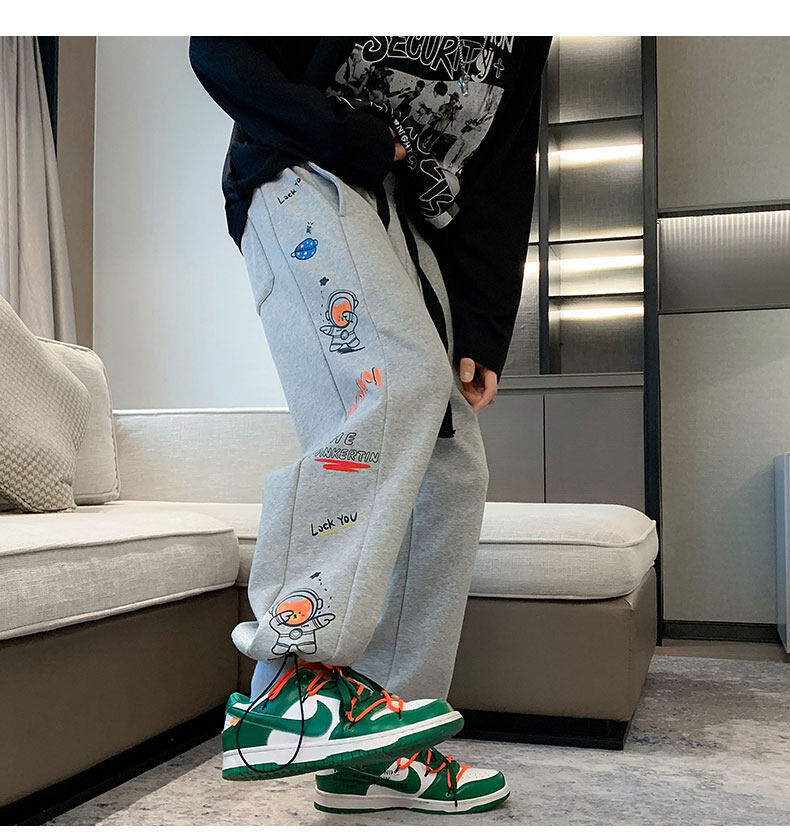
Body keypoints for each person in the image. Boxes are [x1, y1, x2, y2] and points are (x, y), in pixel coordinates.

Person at [189, 34, 550, 815]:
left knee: (455, 468)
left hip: (407, 220)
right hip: (300, 165)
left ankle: (382, 749)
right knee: (390, 382)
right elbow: (219, 45)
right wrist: (338, 131)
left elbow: (502, 160)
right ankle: (287, 680)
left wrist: (484, 324)